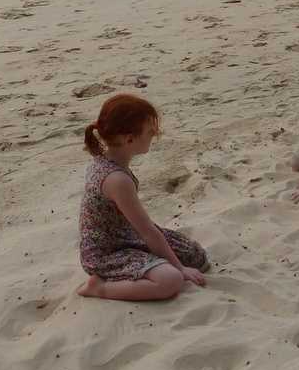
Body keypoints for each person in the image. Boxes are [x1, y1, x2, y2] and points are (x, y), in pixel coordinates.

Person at [78, 93, 209, 301]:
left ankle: (154, 266)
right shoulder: (116, 179)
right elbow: (147, 231)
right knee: (171, 279)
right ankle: (99, 288)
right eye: (150, 132)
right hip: (106, 253)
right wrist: (180, 269)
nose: (154, 134)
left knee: (196, 256)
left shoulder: (109, 161)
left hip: (124, 236)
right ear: (129, 139)